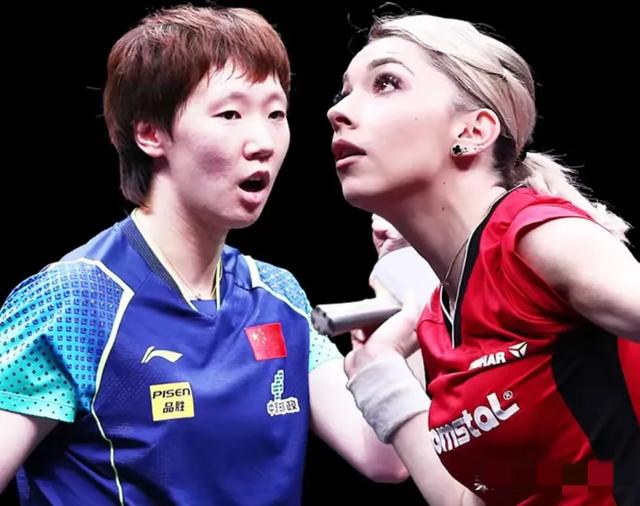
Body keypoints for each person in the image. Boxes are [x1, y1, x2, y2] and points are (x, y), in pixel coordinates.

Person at [0, 5, 409, 505]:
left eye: (276, 114)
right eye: (230, 114)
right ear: (151, 133)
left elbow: (385, 456)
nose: (263, 142)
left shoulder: (278, 295)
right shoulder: (74, 302)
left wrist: (411, 288)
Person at [327, 11, 640, 505]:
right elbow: (475, 500)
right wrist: (380, 373)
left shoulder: (538, 238)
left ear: (473, 130)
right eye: (343, 92)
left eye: (386, 83)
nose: (338, 111)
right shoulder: (438, 320)